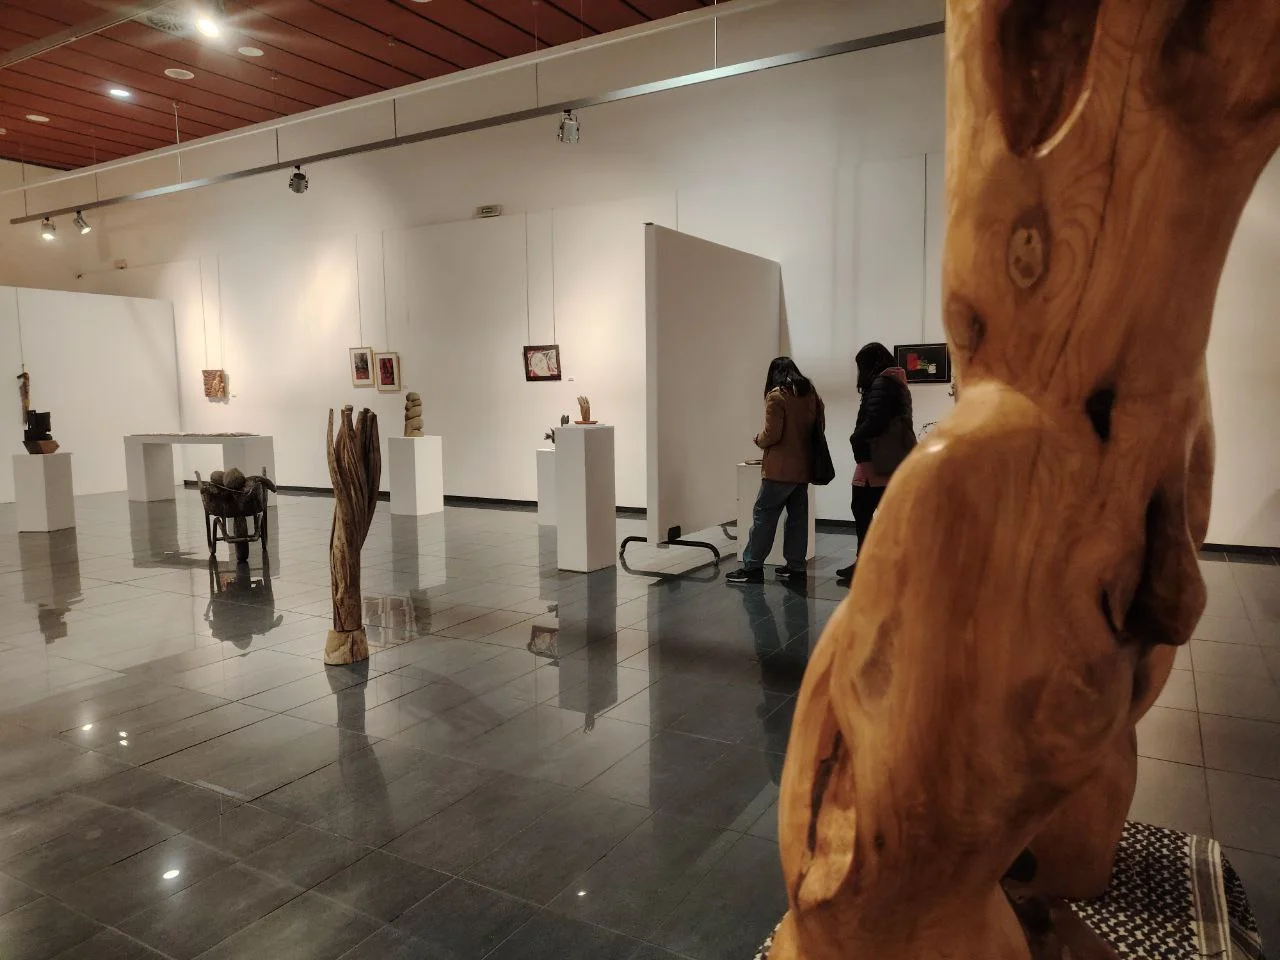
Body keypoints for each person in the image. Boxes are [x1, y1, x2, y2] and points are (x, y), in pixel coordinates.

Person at [727, 357, 824, 585]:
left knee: (764, 516)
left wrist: (758, 440)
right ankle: (796, 566)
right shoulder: (810, 394)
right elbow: (819, 427)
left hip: (779, 470)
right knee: (798, 519)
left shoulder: (777, 396)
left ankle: (752, 567)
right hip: (803, 468)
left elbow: (772, 434)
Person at [837, 342, 914, 583]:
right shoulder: (897, 383)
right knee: (880, 513)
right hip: (887, 460)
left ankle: (867, 565)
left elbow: (874, 421)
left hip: (875, 460)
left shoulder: (882, 383)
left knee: (862, 510)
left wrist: (855, 438)